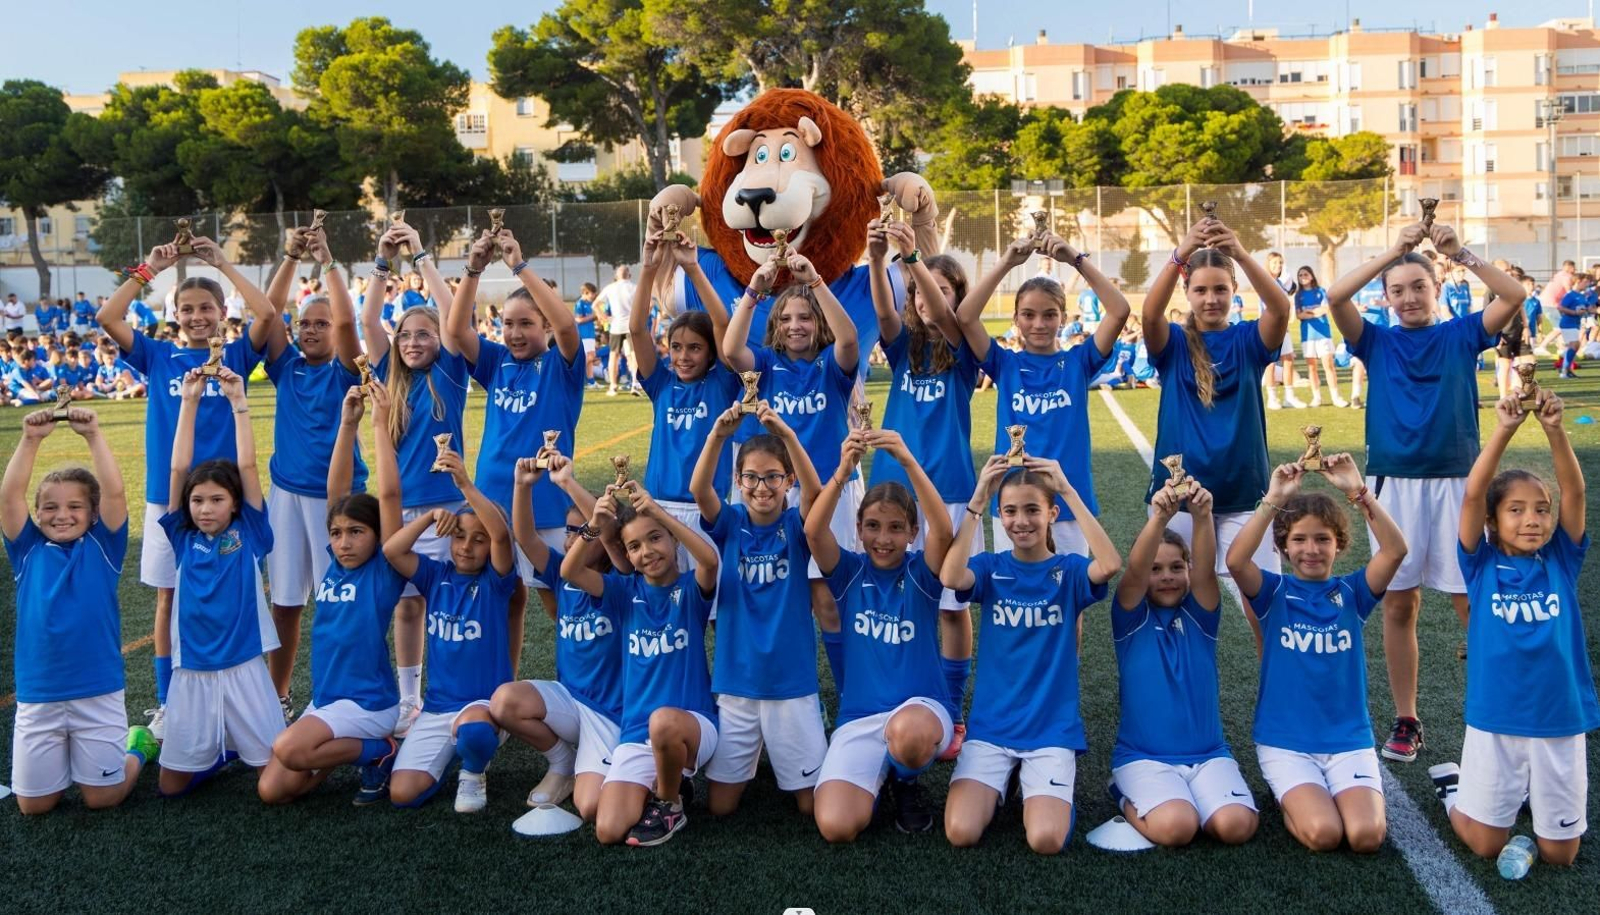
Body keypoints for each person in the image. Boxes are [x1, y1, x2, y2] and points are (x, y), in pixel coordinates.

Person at [1325, 217, 1527, 763]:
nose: (1409, 297)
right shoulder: (1375, 340)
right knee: (1400, 605)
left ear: (1437, 289)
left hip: (1460, 485)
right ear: (1386, 298)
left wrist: (1459, 253)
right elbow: (1336, 295)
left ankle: (1499, 712)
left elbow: (1514, 293)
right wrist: (1394, 250)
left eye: (1419, 286)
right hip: (1394, 486)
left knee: (1471, 601)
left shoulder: (1461, 333)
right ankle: (1407, 719)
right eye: (1398, 290)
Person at [98, 237, 276, 741]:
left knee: (238, 593)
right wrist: (148, 269)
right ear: (174, 314)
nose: (198, 316)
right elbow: (109, 319)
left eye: (207, 308)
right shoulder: (159, 356)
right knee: (167, 599)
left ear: (222, 312)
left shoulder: (237, 355)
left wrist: (222, 263)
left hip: (231, 502)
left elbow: (267, 315)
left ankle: (248, 697)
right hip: (172, 499)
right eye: (187, 309)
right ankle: (165, 701)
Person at [1429, 392, 1595, 867]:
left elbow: (1576, 494)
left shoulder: (1561, 560)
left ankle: (1523, 799)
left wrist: (1555, 429)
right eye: (1517, 510)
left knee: (1559, 855)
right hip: (1496, 718)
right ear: (1493, 522)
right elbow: (1472, 494)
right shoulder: (1480, 565)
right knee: (1486, 845)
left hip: (1559, 720)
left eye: (1541, 509)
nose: (1532, 519)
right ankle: (1455, 789)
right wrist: (1503, 428)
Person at [940, 457, 1121, 854]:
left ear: (1052, 514)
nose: (1021, 521)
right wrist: (977, 501)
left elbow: (1109, 564)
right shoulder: (990, 568)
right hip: (992, 728)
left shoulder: (1069, 571)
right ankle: (1007, 781)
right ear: (999, 515)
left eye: (1032, 510)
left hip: (1049, 731)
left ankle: (1032, 783)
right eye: (1010, 511)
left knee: (1045, 840)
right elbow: (951, 578)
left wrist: (1069, 489)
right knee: (960, 832)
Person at [1227, 455, 1407, 853]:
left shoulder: (1352, 594)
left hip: (1347, 739)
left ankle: (1318, 796)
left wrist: (1358, 493)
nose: (1311, 549)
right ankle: (1287, 797)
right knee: (1324, 835)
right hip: (1286, 741)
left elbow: (1395, 551)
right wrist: (1273, 500)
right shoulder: (1273, 592)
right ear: (1284, 547)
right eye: (1300, 540)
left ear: (1338, 544)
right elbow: (1236, 560)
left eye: (1323, 539)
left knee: (1365, 837)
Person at [1139, 216, 1292, 650]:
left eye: (1220, 289)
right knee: (1170, 603)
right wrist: (1178, 255)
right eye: (1201, 290)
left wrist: (1240, 252)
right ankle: (1176, 694)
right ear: (1186, 293)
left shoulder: (1248, 340)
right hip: (1179, 498)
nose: (1211, 299)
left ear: (1234, 291)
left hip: (1247, 496)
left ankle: (1280, 699)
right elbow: (1149, 311)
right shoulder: (1171, 343)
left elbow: (1280, 308)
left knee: (1265, 605)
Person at [2, 406, 156, 813]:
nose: (62, 515)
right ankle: (68, 762)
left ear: (91, 514)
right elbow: (9, 495)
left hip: (96, 690)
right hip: (40, 695)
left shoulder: (102, 548)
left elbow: (117, 494)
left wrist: (93, 436)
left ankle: (137, 747)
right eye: (50, 507)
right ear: (37, 514)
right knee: (34, 806)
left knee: (101, 799)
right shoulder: (27, 550)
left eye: (74, 507)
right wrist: (31, 439)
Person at [256, 386, 405, 806]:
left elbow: (389, 496)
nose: (343, 542)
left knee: (289, 749)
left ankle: (381, 750)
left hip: (368, 705)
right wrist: (347, 422)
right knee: (273, 790)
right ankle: (351, 753)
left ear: (377, 536)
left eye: (356, 532)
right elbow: (335, 492)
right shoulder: (335, 565)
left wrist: (379, 420)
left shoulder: (383, 569)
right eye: (337, 534)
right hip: (327, 702)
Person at [444, 227, 582, 676]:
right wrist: (473, 270)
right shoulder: (496, 362)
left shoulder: (561, 367)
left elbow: (566, 325)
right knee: (504, 599)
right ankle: (501, 684)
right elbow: (456, 330)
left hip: (543, 510)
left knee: (558, 599)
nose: (516, 333)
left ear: (544, 325)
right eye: (508, 323)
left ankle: (582, 678)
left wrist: (520, 265)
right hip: (491, 505)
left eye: (527, 323)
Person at [809, 431, 958, 841]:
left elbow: (944, 532)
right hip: (861, 717)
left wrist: (907, 459)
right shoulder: (850, 572)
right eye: (873, 526)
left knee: (908, 734)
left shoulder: (921, 574)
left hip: (921, 709)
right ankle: (880, 776)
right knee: (835, 826)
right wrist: (842, 470)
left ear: (912, 532)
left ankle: (906, 782)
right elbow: (814, 532)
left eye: (896, 528)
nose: (883, 538)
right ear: (858, 529)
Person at [348, 220, 466, 737]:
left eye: (425, 334)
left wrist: (420, 258)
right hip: (397, 509)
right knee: (407, 608)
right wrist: (381, 260)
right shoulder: (389, 374)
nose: (414, 342)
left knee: (448, 606)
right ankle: (410, 699)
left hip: (448, 510)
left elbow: (454, 314)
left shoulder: (449, 373)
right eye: (407, 335)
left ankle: (455, 694)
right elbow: (369, 317)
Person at [866, 219, 978, 760]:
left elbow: (949, 319)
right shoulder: (904, 344)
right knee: (896, 601)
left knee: (952, 606)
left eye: (941, 289)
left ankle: (953, 710)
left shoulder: (962, 350)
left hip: (949, 491)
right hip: (892, 491)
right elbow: (885, 312)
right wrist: (875, 256)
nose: (924, 299)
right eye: (917, 292)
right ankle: (890, 697)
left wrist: (914, 261)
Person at [563, 482, 721, 847]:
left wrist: (660, 513)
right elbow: (571, 572)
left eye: (655, 538)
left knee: (663, 720)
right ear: (627, 556)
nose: (647, 551)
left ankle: (669, 803)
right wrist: (594, 522)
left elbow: (710, 560)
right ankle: (668, 780)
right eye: (634, 546)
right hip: (636, 734)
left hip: (691, 725)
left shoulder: (690, 589)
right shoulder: (623, 593)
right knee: (608, 830)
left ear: (673, 540)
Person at [955, 232, 1129, 558]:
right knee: (1015, 589)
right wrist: (1007, 261)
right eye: (1028, 314)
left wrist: (1075, 259)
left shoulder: (1079, 362)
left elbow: (1119, 311)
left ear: (1063, 318)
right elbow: (965, 316)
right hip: (1014, 503)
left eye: (1050, 314)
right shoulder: (1004, 363)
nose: (1039, 323)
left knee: (1070, 594)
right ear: (1016, 319)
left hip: (1067, 502)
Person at [255, 226, 369, 721]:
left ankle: (335, 694)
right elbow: (265, 314)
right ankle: (277, 698)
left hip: (338, 501)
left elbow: (348, 322)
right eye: (305, 323)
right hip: (285, 496)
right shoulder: (285, 366)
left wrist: (328, 262)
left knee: (339, 603)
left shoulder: (344, 369)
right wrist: (289, 257)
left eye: (320, 324)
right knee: (285, 603)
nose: (313, 330)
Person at [692, 403, 827, 817]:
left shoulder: (796, 527)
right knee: (719, 807)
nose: (762, 487)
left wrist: (788, 434)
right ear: (738, 479)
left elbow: (816, 493)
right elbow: (700, 490)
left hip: (791, 683)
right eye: (751, 477)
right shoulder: (731, 522)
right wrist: (717, 435)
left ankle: (801, 746)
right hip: (738, 683)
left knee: (811, 807)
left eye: (772, 477)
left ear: (788, 480)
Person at [1108, 482, 1258, 847]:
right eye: (1156, 569)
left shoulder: (1201, 617)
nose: (1167, 576)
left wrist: (1203, 516)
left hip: (1209, 755)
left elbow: (1206, 571)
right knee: (1177, 829)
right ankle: (1122, 793)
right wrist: (1159, 518)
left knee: (1236, 827)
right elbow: (1132, 573)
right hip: (1144, 757)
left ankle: (1194, 798)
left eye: (1177, 567)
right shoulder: (1129, 619)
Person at [157, 366, 284, 797]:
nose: (205, 508)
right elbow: (177, 469)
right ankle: (211, 752)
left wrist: (239, 404)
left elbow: (247, 464)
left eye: (216, 500)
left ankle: (233, 745)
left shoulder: (249, 532)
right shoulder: (181, 536)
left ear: (234, 505)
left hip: (243, 664)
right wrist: (188, 402)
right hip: (191, 669)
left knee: (276, 782)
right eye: (197, 500)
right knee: (171, 788)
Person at [491, 452, 629, 820]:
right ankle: (561, 761)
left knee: (591, 806)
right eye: (569, 531)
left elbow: (612, 529)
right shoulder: (559, 574)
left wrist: (571, 485)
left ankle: (597, 764)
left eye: (583, 530)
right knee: (505, 701)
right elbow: (524, 536)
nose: (573, 539)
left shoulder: (623, 582)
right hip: (569, 698)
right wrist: (522, 487)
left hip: (609, 710)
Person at [381, 441, 517, 813]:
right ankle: (453, 752)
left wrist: (465, 486)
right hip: (437, 709)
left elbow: (502, 535)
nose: (467, 547)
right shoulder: (434, 575)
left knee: (474, 732)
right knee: (402, 794)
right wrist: (428, 518)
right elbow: (393, 551)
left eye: (478, 540)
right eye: (459, 536)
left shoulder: (496, 583)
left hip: (483, 705)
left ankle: (474, 770)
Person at [632, 230, 738, 572]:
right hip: (658, 508)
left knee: (713, 605)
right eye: (676, 347)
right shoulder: (662, 383)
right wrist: (648, 268)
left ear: (710, 352)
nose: (683, 356)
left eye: (695, 347)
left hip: (707, 509)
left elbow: (722, 322)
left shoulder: (721, 382)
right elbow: (636, 331)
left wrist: (693, 270)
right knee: (670, 599)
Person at [1294, 266, 1347, 408]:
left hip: (1323, 334)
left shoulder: (1321, 291)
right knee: (1312, 368)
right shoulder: (1298, 295)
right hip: (1308, 336)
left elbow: (1324, 310)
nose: (1303, 277)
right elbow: (1299, 315)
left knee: (1328, 365)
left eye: (1305, 274)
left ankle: (1336, 397)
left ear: (1311, 276)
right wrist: (1313, 312)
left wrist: (1310, 312)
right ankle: (1316, 397)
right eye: (1300, 275)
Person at [1262, 252, 1307, 409]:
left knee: (1288, 359)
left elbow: (1291, 290)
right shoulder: (1264, 281)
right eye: (1275, 263)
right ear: (1268, 264)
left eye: (1280, 263)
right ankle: (1272, 398)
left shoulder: (1281, 283)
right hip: (1270, 327)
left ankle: (1289, 397)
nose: (1278, 266)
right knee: (1271, 362)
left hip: (1283, 327)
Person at [598, 265, 638, 395]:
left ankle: (613, 386)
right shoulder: (634, 287)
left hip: (616, 326)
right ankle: (634, 384)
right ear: (629, 275)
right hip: (631, 326)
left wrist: (605, 318)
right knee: (633, 355)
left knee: (613, 356)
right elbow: (650, 305)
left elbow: (595, 304)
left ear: (616, 276)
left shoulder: (610, 288)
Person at [1556, 274, 1593, 379]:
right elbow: (1560, 307)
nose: (1587, 284)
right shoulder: (1570, 295)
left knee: (1575, 346)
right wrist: (1574, 312)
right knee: (1574, 344)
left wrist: (1592, 310)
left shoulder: (1582, 296)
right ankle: (1564, 371)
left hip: (1575, 324)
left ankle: (1567, 369)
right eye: (1585, 282)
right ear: (1578, 281)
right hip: (1567, 323)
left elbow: (1589, 308)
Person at [574, 282, 600, 383]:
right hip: (583, 334)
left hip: (590, 333)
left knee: (591, 357)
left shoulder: (591, 304)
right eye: (592, 294)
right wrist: (593, 316)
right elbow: (578, 320)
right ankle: (578, 376)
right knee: (588, 357)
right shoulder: (579, 303)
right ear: (586, 292)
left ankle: (591, 381)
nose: (593, 296)